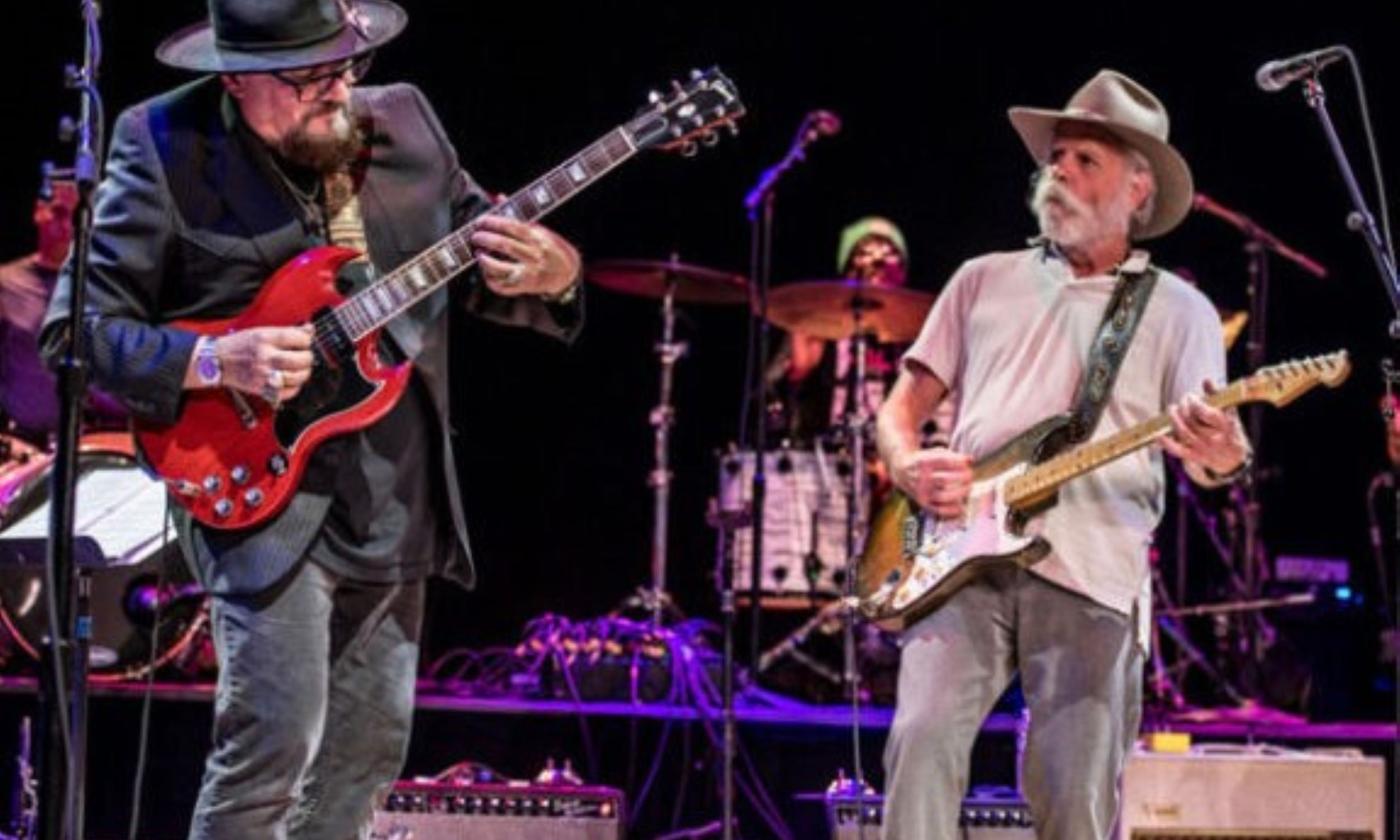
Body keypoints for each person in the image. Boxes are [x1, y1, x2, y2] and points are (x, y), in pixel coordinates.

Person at [40, 1, 583, 837]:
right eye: (307, 79)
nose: (337, 92)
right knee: (274, 742)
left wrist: (553, 276)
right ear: (235, 78)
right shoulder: (162, 142)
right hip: (255, 486)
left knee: (367, 757)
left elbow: (480, 263)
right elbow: (77, 332)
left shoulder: (403, 120)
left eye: (345, 68)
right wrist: (217, 359)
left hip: (394, 488)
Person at [875, 70, 1251, 839]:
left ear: (1138, 190)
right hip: (958, 559)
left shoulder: (1181, 311)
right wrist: (908, 463)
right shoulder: (982, 279)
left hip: (1092, 572)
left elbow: (1212, 460)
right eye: (1057, 158)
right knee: (919, 741)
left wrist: (1224, 451)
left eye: (1086, 161)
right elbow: (898, 412)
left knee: (1072, 793)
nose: (1060, 172)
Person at [0, 180, 124, 439]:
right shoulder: (6, 284)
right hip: (29, 444)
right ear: (38, 211)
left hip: (100, 440)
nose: (66, 224)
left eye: (73, 215)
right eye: (58, 212)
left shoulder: (105, 285)